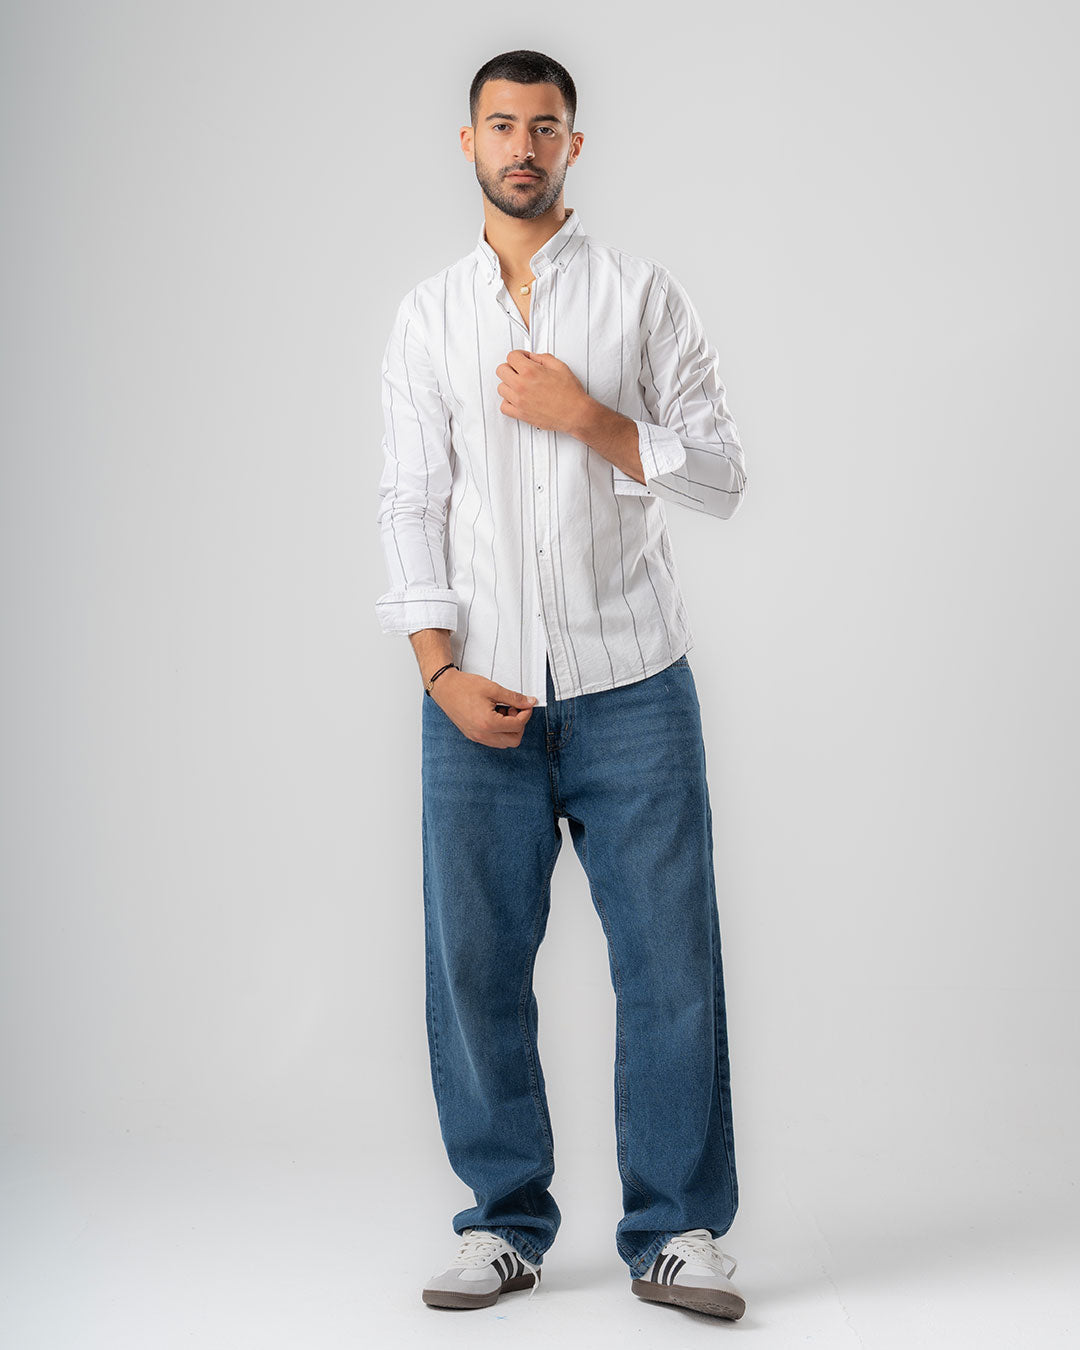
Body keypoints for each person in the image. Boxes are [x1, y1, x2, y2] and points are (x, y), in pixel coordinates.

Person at [374, 48, 749, 1322]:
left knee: (671, 966)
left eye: (545, 127)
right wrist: (437, 672)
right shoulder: (428, 317)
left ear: (574, 145)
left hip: (632, 682)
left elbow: (722, 476)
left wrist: (591, 418)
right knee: (474, 967)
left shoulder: (642, 296)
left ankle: (677, 1231)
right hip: (476, 694)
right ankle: (502, 1223)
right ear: (468, 142)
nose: (522, 146)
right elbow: (408, 506)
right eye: (501, 125)